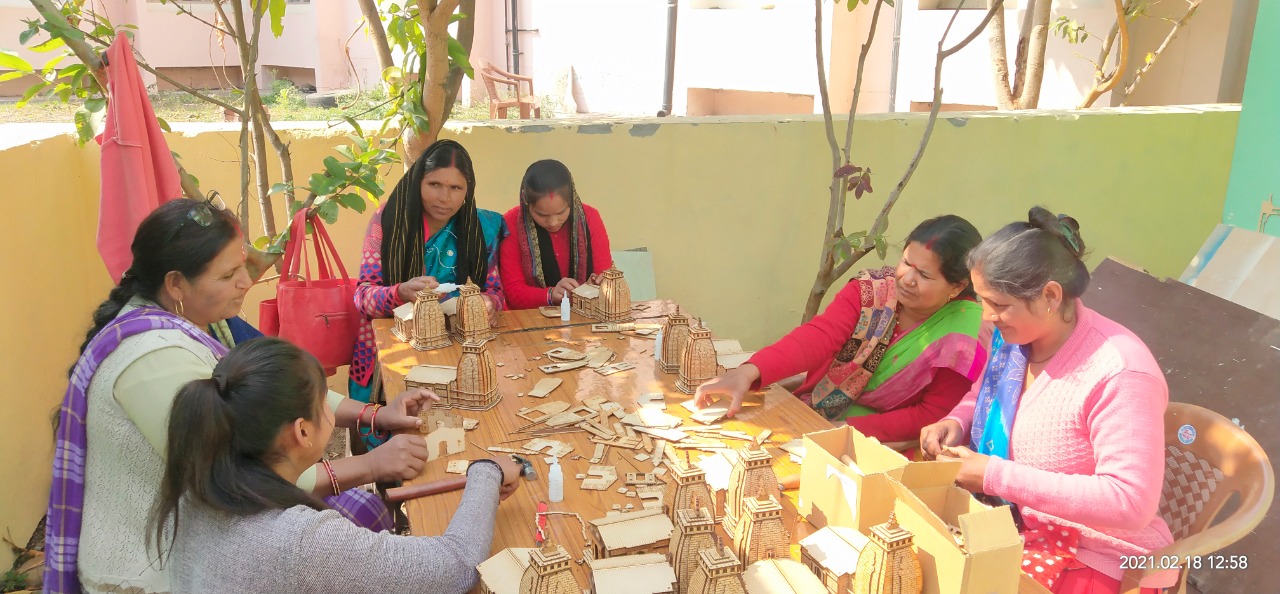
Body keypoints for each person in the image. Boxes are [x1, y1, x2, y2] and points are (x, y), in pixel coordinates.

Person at [45, 198, 432, 594]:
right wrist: (370, 465)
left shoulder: (207, 324)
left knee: (361, 522)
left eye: (243, 265)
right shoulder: (153, 359)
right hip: (158, 570)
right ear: (176, 283)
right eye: (229, 274)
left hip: (206, 538)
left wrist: (377, 415)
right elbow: (233, 476)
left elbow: (288, 384)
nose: (246, 282)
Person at [919, 207, 1173, 594]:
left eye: (999, 304)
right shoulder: (1017, 339)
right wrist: (957, 421)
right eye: (983, 300)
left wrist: (993, 475)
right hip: (1012, 524)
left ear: (1050, 296)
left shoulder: (1119, 373)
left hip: (1094, 554)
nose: (987, 316)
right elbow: (983, 394)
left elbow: (1130, 501)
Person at [152, 338, 523, 594]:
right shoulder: (299, 542)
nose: (332, 409)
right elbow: (456, 566)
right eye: (324, 403)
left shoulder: (197, 488)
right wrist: (486, 472)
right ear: (302, 431)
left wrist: (376, 416)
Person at [694, 215, 987, 444]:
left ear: (957, 286)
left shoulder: (964, 335)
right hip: (818, 416)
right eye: (906, 262)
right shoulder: (872, 291)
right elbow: (819, 336)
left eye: (923, 274)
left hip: (891, 445)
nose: (907, 279)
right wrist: (747, 373)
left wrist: (841, 432)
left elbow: (932, 415)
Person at [351, 140, 506, 421]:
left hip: (459, 353)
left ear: (467, 190)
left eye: (456, 188)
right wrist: (400, 292)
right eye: (434, 184)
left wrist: (487, 302)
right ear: (418, 180)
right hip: (395, 353)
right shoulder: (390, 220)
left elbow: (495, 291)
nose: (444, 198)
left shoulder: (479, 227)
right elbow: (363, 297)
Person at [499, 159, 613, 309]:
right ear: (525, 200)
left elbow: (604, 278)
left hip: (586, 316)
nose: (553, 222)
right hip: (531, 321)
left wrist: (595, 286)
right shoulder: (511, 223)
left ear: (572, 199)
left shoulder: (590, 218)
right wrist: (550, 295)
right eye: (541, 215)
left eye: (561, 212)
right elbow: (512, 293)